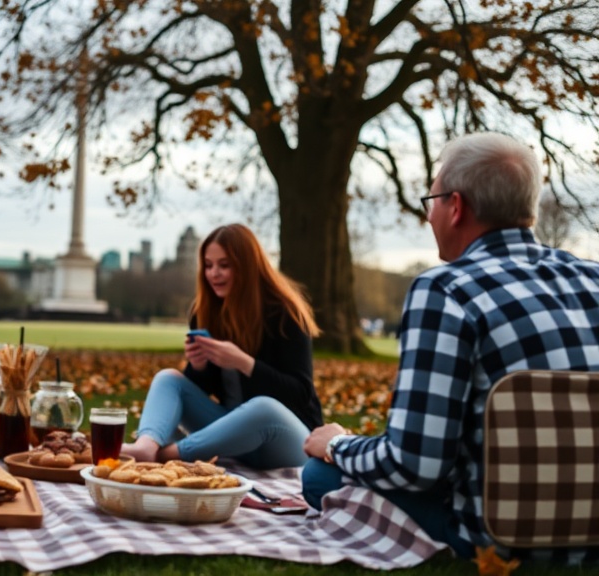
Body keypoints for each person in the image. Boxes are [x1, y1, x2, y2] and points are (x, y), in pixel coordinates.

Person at [302, 133, 599, 562]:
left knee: (318, 475)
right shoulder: (592, 279)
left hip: (501, 540)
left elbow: (414, 465)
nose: (429, 215)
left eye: (432, 200)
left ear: (455, 206)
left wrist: (337, 445)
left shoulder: (446, 289)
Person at [120, 223, 323, 470]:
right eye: (208, 265)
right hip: (235, 439)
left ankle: (167, 456)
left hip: (289, 442)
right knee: (168, 379)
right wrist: (198, 366)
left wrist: (244, 363)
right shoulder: (204, 310)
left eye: (224, 265)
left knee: (263, 407)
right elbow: (201, 390)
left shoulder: (284, 313)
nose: (214, 273)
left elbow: (300, 393)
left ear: (247, 267)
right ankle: (145, 447)